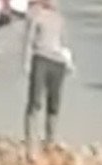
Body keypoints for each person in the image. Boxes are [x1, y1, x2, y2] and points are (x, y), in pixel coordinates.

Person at [22, 0, 72, 149]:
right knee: (35, 101)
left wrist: (68, 62)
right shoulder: (36, 16)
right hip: (41, 59)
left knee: (54, 103)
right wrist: (27, 62)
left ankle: (50, 140)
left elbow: (64, 44)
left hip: (57, 63)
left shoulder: (59, 19)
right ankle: (31, 142)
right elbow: (29, 41)